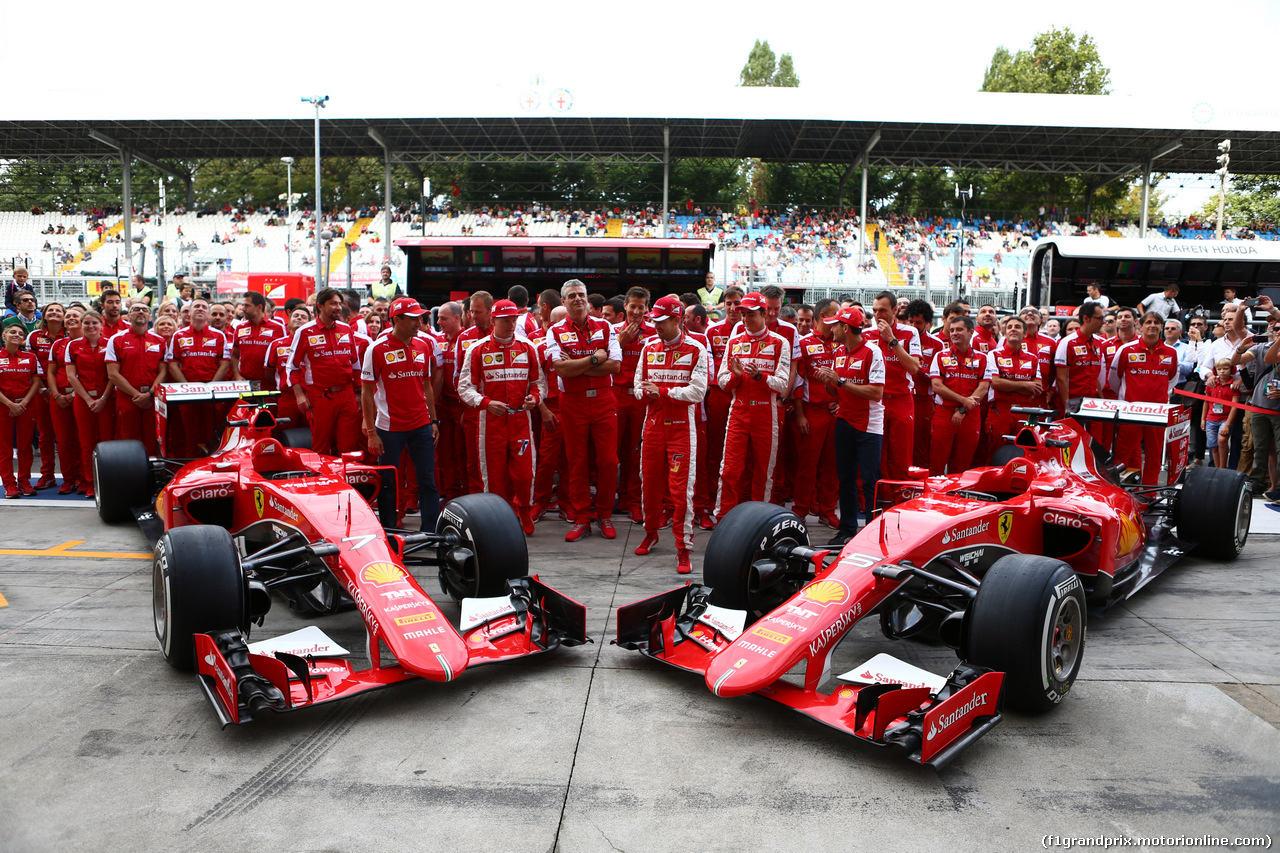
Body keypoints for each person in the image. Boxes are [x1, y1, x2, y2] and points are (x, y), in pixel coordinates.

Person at [631, 295, 708, 574]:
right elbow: (638, 387)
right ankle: (651, 533)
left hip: (680, 429)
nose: (656, 327)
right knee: (649, 484)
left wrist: (661, 392)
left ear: (677, 320)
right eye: (655, 321)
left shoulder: (697, 348)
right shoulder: (649, 348)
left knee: (681, 491)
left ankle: (682, 547)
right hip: (652, 426)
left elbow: (698, 392)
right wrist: (646, 392)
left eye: (662, 322)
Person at [457, 299, 544, 534]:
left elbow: (539, 384)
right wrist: (485, 403)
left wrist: (534, 399)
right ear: (494, 320)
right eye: (506, 320)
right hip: (491, 423)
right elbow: (464, 388)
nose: (511, 324)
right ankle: (498, 518)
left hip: (520, 422)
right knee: (493, 475)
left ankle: (524, 509)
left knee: (525, 473)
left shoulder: (527, 347)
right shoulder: (477, 349)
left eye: (514, 319)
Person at [546, 279, 622, 542]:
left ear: (588, 300)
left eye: (581, 295)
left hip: (603, 400)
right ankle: (581, 518)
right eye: (571, 296)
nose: (577, 299)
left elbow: (614, 366)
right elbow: (561, 369)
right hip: (573, 402)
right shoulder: (555, 330)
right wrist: (594, 358)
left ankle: (604, 515)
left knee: (608, 462)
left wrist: (577, 365)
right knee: (576, 462)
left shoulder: (605, 326)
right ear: (564, 302)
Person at [361, 297, 441, 530]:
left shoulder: (423, 346)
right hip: (389, 428)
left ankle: (430, 533)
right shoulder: (376, 348)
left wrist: (433, 420)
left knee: (428, 480)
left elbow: (426, 386)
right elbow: (366, 393)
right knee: (388, 482)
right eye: (413, 318)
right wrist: (371, 432)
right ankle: (389, 531)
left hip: (421, 425)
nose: (419, 322)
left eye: (420, 317)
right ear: (397, 319)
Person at [713, 292, 791, 519]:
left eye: (751, 315)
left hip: (767, 412)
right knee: (730, 469)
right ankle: (724, 516)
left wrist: (759, 377)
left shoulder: (779, 342)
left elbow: (782, 384)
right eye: (743, 314)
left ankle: (759, 520)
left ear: (765, 314)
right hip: (738, 410)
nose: (746, 319)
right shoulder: (735, 341)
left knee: (764, 472)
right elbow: (723, 381)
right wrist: (737, 377)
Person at [820, 306, 885, 547]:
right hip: (845, 420)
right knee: (845, 478)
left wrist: (841, 381)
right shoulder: (838, 351)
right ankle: (846, 529)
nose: (831, 328)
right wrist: (828, 381)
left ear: (846, 328)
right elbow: (836, 391)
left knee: (870, 480)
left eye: (834, 324)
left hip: (869, 425)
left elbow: (876, 392)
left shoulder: (872, 351)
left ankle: (872, 532)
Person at [286, 288, 361, 457]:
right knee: (321, 445)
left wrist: (358, 392)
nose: (338, 308)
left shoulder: (346, 329)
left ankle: (347, 481)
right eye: (333, 304)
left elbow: (356, 364)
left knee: (349, 445)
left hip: (347, 394)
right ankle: (323, 481)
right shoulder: (304, 332)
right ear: (319, 306)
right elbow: (292, 367)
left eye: (339, 304)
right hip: (320, 396)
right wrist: (299, 395)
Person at [1108, 312, 1181, 484]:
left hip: (1157, 413)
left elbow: (1172, 380)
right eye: (1148, 322)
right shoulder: (1126, 350)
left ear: (1161, 327)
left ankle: (1149, 494)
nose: (1152, 325)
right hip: (1130, 412)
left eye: (1157, 322)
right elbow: (1114, 380)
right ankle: (1119, 490)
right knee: (1122, 454)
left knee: (1154, 456)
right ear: (1140, 326)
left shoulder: (1171, 353)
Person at [861, 291, 922, 481]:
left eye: (883, 310)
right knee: (875, 456)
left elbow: (914, 368)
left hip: (901, 400)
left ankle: (899, 501)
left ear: (895, 310)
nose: (878, 315)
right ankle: (875, 501)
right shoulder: (866, 334)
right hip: (875, 401)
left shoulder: (910, 332)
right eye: (874, 310)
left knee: (901, 457)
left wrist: (892, 340)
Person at [791, 298, 841, 528]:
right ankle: (800, 510)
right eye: (835, 314)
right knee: (807, 465)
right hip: (813, 412)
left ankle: (827, 510)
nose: (840, 319)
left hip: (838, 413)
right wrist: (800, 415)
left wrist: (842, 402)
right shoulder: (804, 343)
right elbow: (798, 382)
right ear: (823, 317)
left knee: (833, 464)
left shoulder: (843, 343)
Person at [165, 298, 232, 457]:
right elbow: (173, 364)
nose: (200, 309)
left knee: (213, 434)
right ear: (189, 312)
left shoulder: (219, 336)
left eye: (204, 307)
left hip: (213, 393)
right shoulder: (178, 335)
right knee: (189, 435)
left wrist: (211, 387)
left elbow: (224, 364)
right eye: (197, 306)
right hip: (188, 393)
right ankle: (189, 467)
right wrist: (188, 387)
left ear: (207, 314)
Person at [612, 287, 654, 520]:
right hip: (616, 395)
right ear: (625, 306)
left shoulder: (653, 334)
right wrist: (621, 341)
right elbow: (602, 357)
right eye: (633, 306)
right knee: (613, 452)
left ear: (647, 308)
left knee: (637, 452)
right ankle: (611, 499)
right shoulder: (612, 331)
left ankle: (634, 501)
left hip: (640, 397)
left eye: (641, 306)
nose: (637, 311)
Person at [929, 316, 990, 475]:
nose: (954, 333)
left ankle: (956, 497)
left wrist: (963, 409)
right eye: (952, 330)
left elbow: (983, 387)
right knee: (937, 462)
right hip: (944, 413)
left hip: (970, 415)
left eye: (959, 330)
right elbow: (936, 386)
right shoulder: (941, 356)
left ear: (971, 332)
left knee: (963, 464)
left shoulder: (982, 358)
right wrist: (963, 400)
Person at [105, 301, 166, 455]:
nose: (140, 312)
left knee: (152, 441)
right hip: (128, 398)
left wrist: (150, 394)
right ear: (129, 315)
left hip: (153, 398)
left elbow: (163, 371)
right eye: (136, 309)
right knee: (129, 441)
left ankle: (152, 476)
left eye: (144, 309)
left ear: (150, 316)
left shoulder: (159, 341)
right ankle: (131, 476)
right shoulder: (116, 340)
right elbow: (112, 373)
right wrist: (136, 395)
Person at [65, 310, 115, 498]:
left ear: (101, 325)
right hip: (83, 400)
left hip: (106, 399)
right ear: (81, 325)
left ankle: (108, 481)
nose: (90, 326)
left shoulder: (110, 344)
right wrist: (87, 399)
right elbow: (71, 376)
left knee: (107, 442)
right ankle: (89, 482)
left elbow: (113, 374)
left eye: (94, 323)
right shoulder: (73, 346)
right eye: (86, 323)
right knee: (86, 443)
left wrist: (102, 399)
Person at [1229, 318, 1280, 501]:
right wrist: (1241, 347)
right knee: (1261, 448)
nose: (1277, 331)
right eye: (1275, 328)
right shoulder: (1261, 347)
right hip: (1259, 405)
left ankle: (1277, 486)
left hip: (1278, 410)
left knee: (1279, 450)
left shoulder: (1270, 350)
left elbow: (1270, 359)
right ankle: (1258, 484)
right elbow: (1235, 361)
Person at [703, 286, 743, 516]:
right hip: (719, 393)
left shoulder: (751, 331)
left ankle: (737, 500)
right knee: (715, 450)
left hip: (744, 393)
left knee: (740, 453)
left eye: (736, 303)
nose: (732, 308)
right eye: (728, 303)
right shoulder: (713, 331)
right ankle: (711, 499)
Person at [454, 290, 496, 494]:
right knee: (474, 461)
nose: (473, 316)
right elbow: (457, 377)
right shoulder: (464, 338)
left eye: (478, 312)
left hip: (500, 406)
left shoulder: (506, 334)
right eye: (471, 311)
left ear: (491, 311)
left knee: (499, 459)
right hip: (473, 409)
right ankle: (477, 504)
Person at [985, 315, 1042, 454]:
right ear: (1004, 333)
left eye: (1017, 327)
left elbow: (1037, 388)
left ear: (1025, 333)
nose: (1013, 330)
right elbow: (996, 383)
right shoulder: (993, 355)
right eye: (1009, 327)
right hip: (1000, 410)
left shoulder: (1033, 358)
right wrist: (1024, 385)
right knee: (995, 451)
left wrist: (1009, 385)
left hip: (1025, 412)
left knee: (1025, 452)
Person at [0, 318, 43, 497]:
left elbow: (36, 382)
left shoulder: (30, 357)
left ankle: (24, 481)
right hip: (4, 406)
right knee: (5, 447)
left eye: (20, 334)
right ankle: (9, 484)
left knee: (25, 446)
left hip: (26, 405)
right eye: (13, 332)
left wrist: (23, 403)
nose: (17, 335)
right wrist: (10, 404)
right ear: (4, 335)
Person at [27, 303, 66, 490]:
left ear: (64, 315)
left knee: (67, 435)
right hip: (41, 391)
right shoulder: (34, 336)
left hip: (65, 391)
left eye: (58, 310)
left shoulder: (69, 336)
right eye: (50, 310)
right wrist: (44, 389)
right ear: (44, 315)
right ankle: (47, 474)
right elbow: (32, 364)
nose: (54, 313)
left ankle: (72, 475)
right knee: (45, 436)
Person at [46, 307, 83, 494]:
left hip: (82, 398)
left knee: (83, 440)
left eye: (75, 315)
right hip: (60, 398)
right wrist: (57, 395)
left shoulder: (91, 342)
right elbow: (51, 372)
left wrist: (75, 394)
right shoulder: (58, 344)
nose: (71, 318)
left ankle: (84, 477)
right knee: (63, 441)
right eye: (68, 316)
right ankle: (68, 479)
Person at [905, 299, 944, 470]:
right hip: (902, 398)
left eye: (918, 322)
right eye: (911, 321)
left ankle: (920, 485)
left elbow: (941, 376)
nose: (913, 326)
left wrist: (920, 370)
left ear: (928, 323)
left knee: (920, 445)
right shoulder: (899, 339)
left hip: (923, 401)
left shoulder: (937, 344)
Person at [1055, 302, 1106, 431]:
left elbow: (1096, 375)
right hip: (1073, 402)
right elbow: (1061, 379)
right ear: (1086, 319)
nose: (1103, 322)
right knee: (1074, 443)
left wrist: (1101, 400)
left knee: (1094, 443)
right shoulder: (1067, 342)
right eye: (1099, 318)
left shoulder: (1099, 343)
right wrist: (1068, 408)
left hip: (1093, 402)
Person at [265, 306, 311, 437]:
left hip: (311, 396)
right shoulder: (276, 344)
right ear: (288, 322)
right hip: (286, 398)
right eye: (295, 316)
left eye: (303, 317)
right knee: (286, 434)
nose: (299, 319)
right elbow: (269, 373)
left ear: (309, 322)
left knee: (314, 434)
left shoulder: (315, 343)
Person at [230, 292, 285, 390]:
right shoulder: (240, 327)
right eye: (243, 305)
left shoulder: (278, 328)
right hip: (245, 383)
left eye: (247, 305)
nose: (243, 309)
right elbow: (234, 356)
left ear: (259, 307)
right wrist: (237, 376)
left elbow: (284, 358)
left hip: (269, 384)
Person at [1202, 360, 1240, 472]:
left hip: (1225, 418)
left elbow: (1234, 406)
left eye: (1225, 368)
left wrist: (1227, 424)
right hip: (1211, 418)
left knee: (1222, 440)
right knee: (1213, 446)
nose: (1222, 371)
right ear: (1215, 370)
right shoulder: (1211, 384)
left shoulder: (1234, 386)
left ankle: (1223, 468)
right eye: (1219, 369)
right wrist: (1203, 419)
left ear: (1232, 370)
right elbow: (1206, 402)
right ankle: (1217, 469)